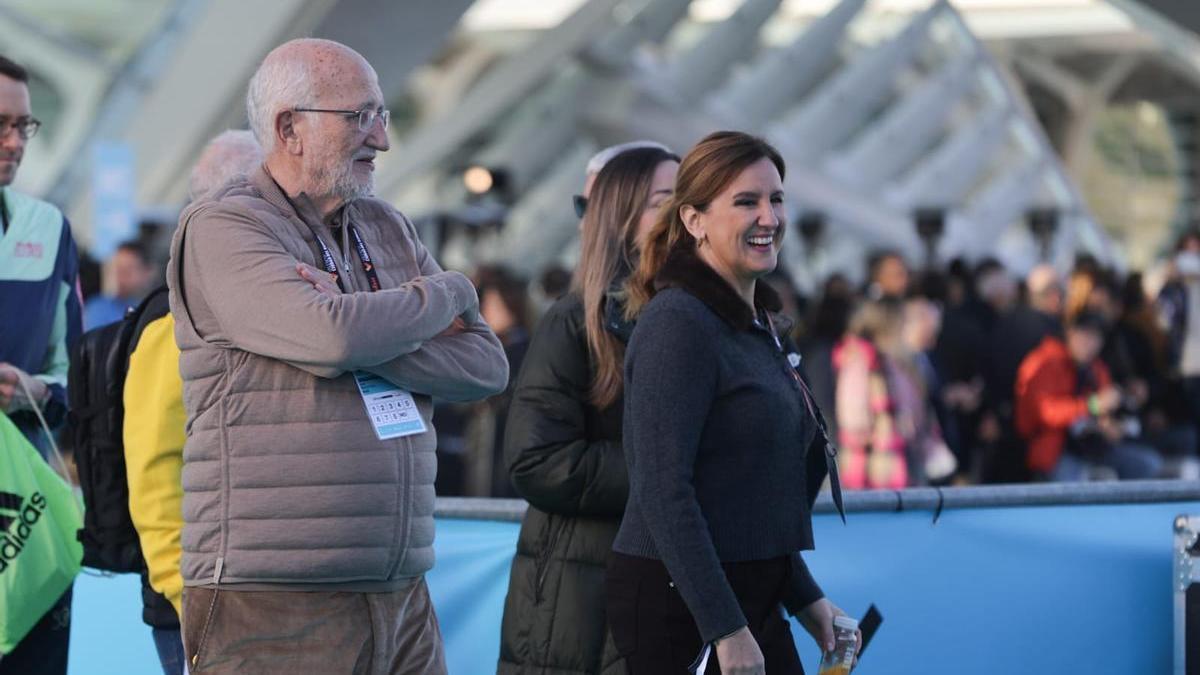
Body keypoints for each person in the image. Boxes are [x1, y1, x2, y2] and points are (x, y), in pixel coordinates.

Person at [167, 39, 508, 673]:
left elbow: (486, 366)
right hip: (273, 601)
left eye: (382, 114)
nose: (380, 138)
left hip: (401, 592)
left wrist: (360, 327)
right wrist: (446, 292)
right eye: (358, 116)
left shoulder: (387, 226)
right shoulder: (223, 228)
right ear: (288, 128)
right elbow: (334, 339)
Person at [608, 131, 856, 674]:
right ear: (694, 219)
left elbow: (748, 495)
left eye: (776, 198)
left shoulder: (760, 325)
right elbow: (663, 489)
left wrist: (806, 600)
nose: (769, 217)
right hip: (685, 608)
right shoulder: (678, 323)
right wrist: (724, 628)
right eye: (746, 201)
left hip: (746, 599)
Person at [498, 143, 679, 675]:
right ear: (620, 218)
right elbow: (537, 460)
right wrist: (673, 477)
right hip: (578, 601)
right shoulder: (574, 322)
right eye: (662, 201)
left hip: (657, 588)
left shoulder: (696, 319)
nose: (681, 216)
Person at [122, 129, 263, 675]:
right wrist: (193, 601)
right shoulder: (171, 326)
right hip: (201, 608)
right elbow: (154, 476)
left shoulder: (255, 307)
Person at [0, 54, 82, 675]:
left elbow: (74, 374)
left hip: (21, 516)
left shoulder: (48, 230)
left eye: (23, 126)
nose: (12, 142)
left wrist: (34, 389)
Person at [1015, 312, 1162, 481]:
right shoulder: (1044, 361)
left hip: (1093, 447)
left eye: (1096, 338)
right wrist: (1090, 406)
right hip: (1055, 450)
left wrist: (1112, 424)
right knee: (1075, 484)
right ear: (1070, 333)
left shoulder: (1096, 368)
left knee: (1147, 463)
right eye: (1084, 335)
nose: (1089, 344)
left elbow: (1105, 409)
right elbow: (1045, 412)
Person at [83, 239, 158, 329]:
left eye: (128, 270)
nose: (120, 277)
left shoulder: (158, 311)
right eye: (116, 269)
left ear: (148, 273)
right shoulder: (98, 309)